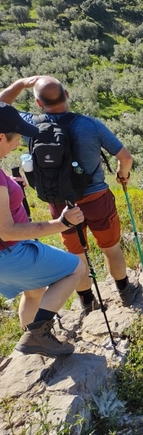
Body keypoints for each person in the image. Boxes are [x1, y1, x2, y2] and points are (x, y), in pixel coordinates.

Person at [0, 76, 142, 312]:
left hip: (61, 204)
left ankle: (87, 301)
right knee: (110, 247)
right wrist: (122, 174)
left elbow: (2, 108)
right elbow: (125, 157)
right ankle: (125, 292)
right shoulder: (91, 125)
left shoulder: (29, 124)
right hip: (97, 199)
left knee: (77, 254)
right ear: (67, 94)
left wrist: (19, 85)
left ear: (37, 103)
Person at [0, 102, 86, 356]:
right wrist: (62, 224)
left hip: (7, 255)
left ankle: (33, 342)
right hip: (9, 252)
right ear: (1, 136)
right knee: (76, 268)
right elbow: (6, 231)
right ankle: (37, 336)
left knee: (35, 289)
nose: (18, 144)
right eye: (15, 138)